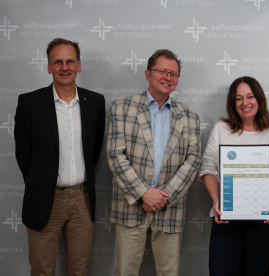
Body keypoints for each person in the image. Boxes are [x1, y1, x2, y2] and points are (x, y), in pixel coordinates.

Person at [14, 38, 106, 276]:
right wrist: (42, 183)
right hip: (45, 198)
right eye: (58, 62)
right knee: (42, 270)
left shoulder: (95, 102)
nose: (64, 67)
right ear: (49, 67)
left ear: (79, 65)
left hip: (82, 199)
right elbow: (23, 154)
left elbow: (94, 150)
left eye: (70, 61)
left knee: (79, 270)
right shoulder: (30, 103)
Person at [107, 49, 201, 276]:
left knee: (169, 272)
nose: (168, 77)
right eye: (162, 71)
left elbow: (193, 159)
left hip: (170, 206)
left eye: (174, 74)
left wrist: (162, 196)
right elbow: (115, 155)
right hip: (130, 204)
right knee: (125, 272)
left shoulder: (189, 116)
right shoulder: (122, 107)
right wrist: (144, 193)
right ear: (148, 74)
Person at [199, 76, 269, 276]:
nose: (245, 103)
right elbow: (208, 169)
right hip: (226, 216)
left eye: (250, 96)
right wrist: (217, 201)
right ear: (233, 103)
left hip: (265, 220)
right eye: (239, 98)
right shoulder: (221, 130)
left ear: (259, 98)